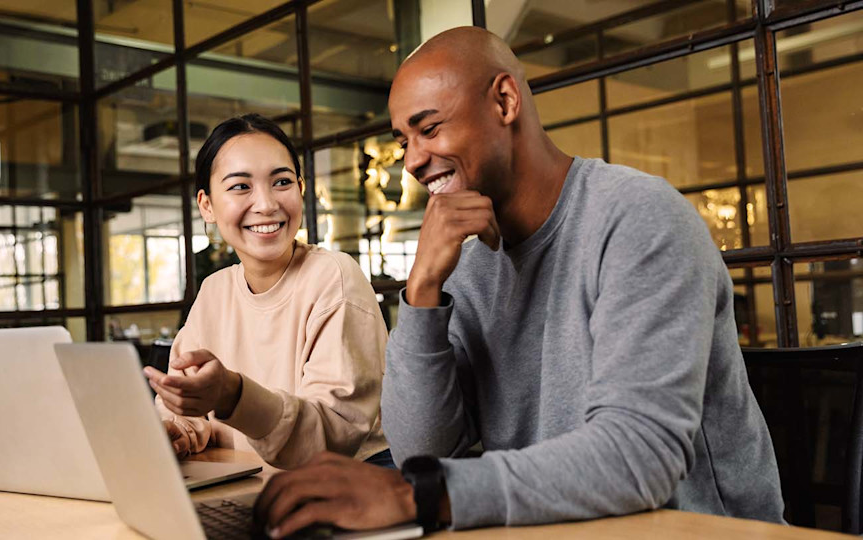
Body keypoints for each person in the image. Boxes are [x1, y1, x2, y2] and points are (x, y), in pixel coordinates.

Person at [252, 26, 784, 537]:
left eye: (429, 128)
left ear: (505, 102)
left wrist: (413, 495)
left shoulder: (637, 217)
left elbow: (640, 456)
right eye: (403, 139)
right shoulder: (468, 262)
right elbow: (426, 451)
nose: (411, 160)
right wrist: (421, 292)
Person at [144, 114, 392, 470]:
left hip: (349, 483)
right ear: (207, 205)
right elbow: (184, 403)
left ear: (301, 189)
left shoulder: (334, 277)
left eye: (281, 182)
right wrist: (179, 429)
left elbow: (329, 436)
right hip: (252, 477)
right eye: (241, 186)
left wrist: (233, 394)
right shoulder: (215, 291)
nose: (266, 204)